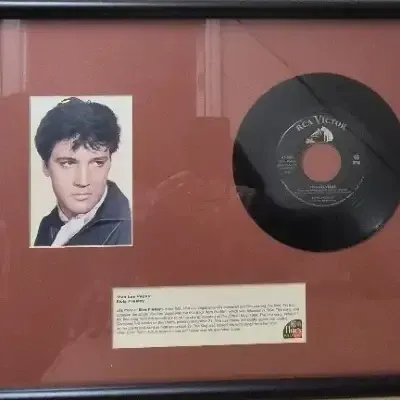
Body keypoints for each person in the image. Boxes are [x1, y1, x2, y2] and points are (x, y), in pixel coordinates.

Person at [32, 97, 132, 247]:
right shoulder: (47, 226)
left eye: (97, 163)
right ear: (45, 166)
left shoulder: (129, 227)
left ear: (109, 162)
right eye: (67, 163)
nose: (83, 181)